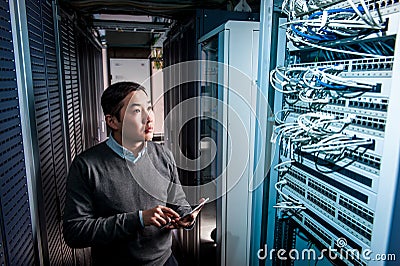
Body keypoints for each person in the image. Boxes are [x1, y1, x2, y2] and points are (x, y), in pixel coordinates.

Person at [63, 81, 201, 266]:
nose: (149, 118)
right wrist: (138, 219)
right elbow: (75, 232)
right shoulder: (86, 166)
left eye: (149, 108)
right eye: (136, 111)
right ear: (112, 121)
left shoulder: (163, 155)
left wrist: (186, 215)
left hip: (165, 260)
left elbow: (177, 200)